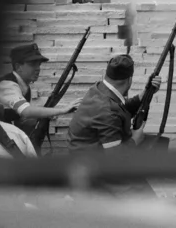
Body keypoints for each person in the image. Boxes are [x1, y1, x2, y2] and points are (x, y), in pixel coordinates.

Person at [66, 54, 161, 197]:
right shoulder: (106, 110)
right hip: (97, 172)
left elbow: (119, 109)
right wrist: (135, 140)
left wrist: (146, 93)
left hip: (91, 161)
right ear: (129, 80)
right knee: (146, 200)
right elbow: (116, 157)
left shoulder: (99, 89)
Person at [0, 43, 81, 135]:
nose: (38, 69)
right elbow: (26, 112)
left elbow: (21, 118)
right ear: (18, 67)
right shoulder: (8, 85)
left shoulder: (24, 87)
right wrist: (63, 110)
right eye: (32, 64)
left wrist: (44, 116)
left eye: (39, 64)